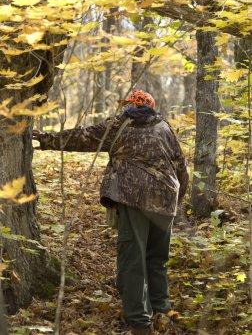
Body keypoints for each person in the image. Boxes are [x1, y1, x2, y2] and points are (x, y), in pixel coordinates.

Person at [33, 90, 189, 335]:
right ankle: (163, 312)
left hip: (133, 199)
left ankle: (140, 323)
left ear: (129, 106)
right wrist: (175, 201)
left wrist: (45, 139)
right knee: (157, 260)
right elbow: (182, 169)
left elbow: (82, 138)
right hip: (166, 201)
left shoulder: (119, 126)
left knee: (133, 260)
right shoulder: (165, 129)